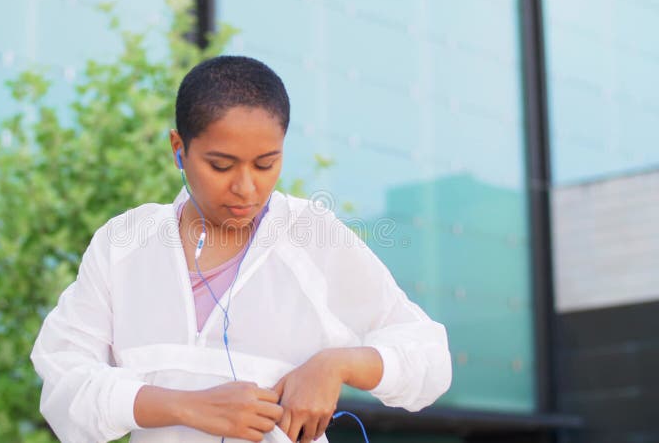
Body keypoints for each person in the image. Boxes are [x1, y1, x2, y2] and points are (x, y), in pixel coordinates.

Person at [30, 56, 451, 443]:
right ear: (179, 149)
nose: (246, 188)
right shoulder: (125, 244)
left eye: (266, 164)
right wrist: (188, 406)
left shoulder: (310, 238)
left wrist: (337, 364)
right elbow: (65, 387)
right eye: (221, 165)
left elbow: (430, 360)